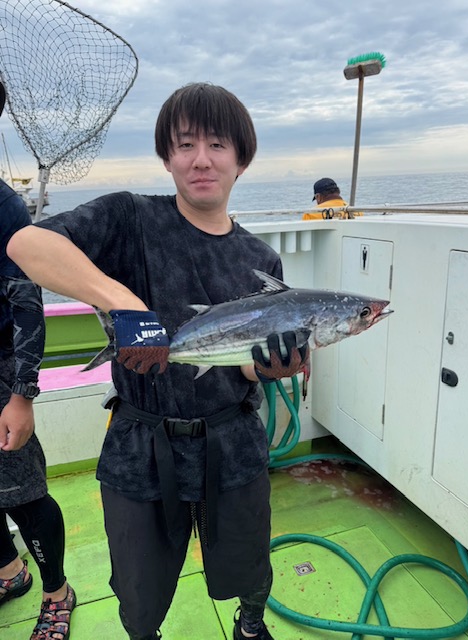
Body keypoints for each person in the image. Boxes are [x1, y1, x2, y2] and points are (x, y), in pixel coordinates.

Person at [7, 82, 309, 640]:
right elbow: (27, 245)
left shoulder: (260, 259)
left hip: (232, 442)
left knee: (248, 560)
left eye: (217, 145)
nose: (201, 159)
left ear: (241, 159)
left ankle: (249, 623)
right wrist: (122, 301)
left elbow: (244, 367)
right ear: (167, 158)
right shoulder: (130, 218)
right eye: (185, 144)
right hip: (139, 445)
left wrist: (269, 368)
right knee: (139, 587)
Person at [0, 81, 76, 639]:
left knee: (23, 495)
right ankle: (11, 572)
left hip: (3, 370)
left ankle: (57, 592)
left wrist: (22, 393)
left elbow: (28, 300)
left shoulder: (4, 206)